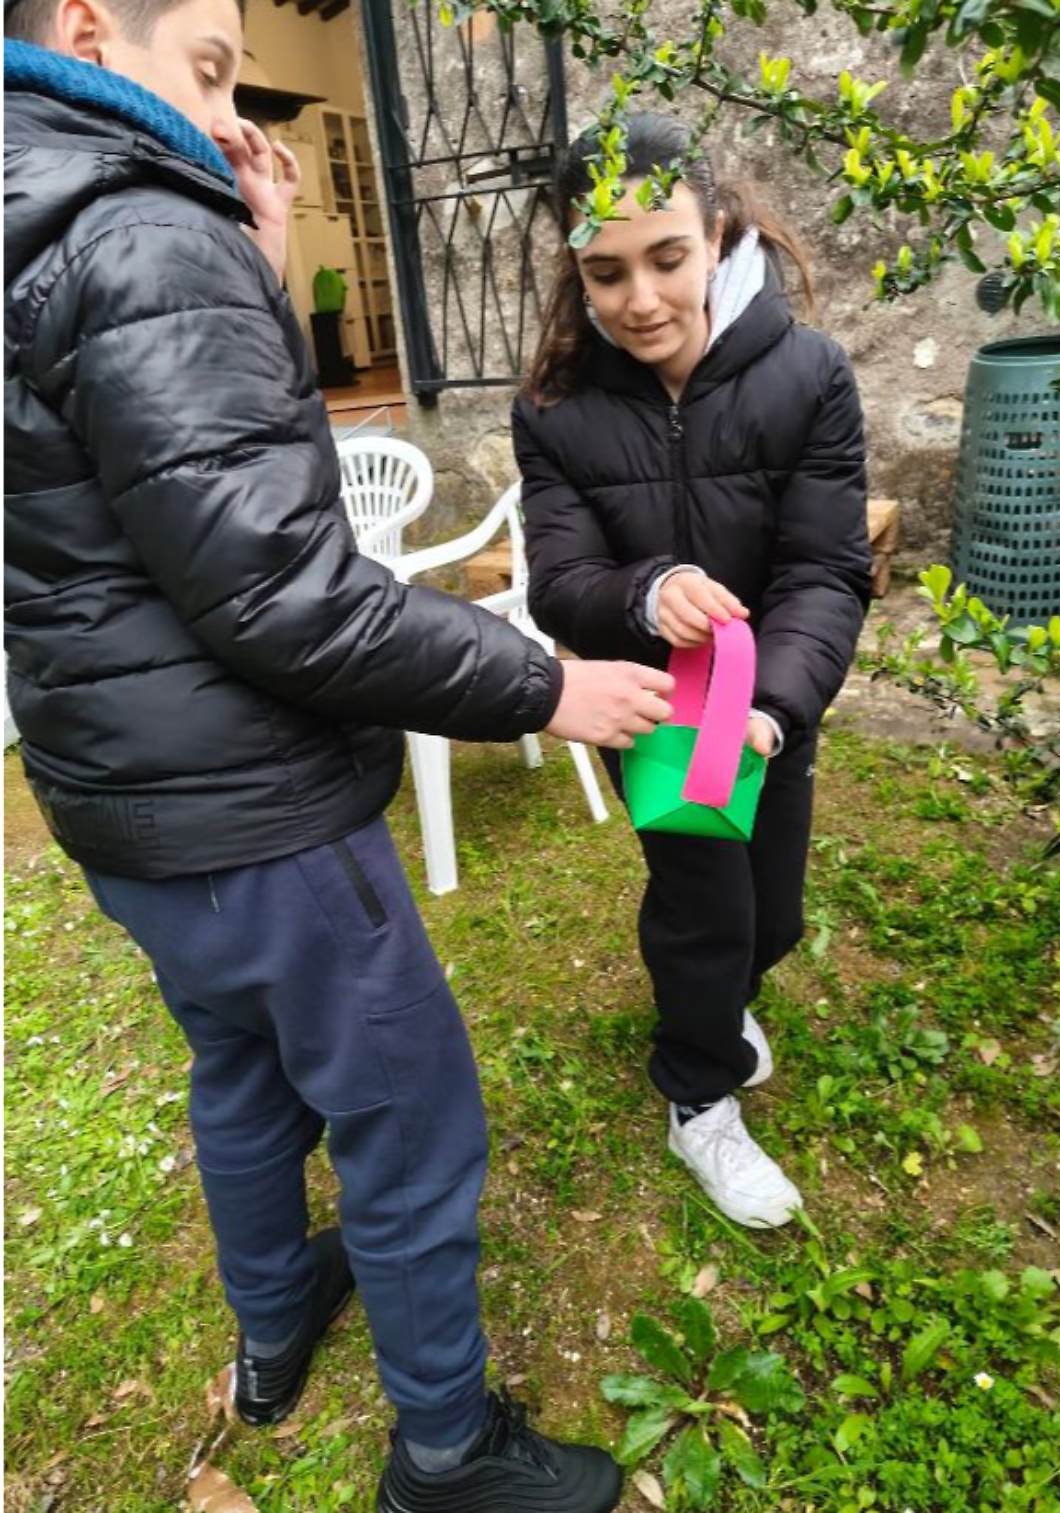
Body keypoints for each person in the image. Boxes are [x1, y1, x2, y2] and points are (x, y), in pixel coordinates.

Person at [2, 6, 677, 1509]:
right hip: (252, 808)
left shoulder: (37, 207)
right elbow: (279, 588)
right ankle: (445, 1449)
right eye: (210, 65)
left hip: (122, 801)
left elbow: (147, 487)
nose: (232, 107)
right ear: (90, 26)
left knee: (239, 1065)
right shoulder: (131, 229)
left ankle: (272, 1334)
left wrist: (251, 239)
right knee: (407, 1110)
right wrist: (541, 683)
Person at [515, 113, 872, 1232]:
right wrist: (642, 593)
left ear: (717, 235)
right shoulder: (557, 410)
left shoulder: (808, 375)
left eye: (666, 257)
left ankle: (729, 1000)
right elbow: (560, 577)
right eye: (605, 271)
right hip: (657, 710)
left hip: (771, 713)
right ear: (577, 266)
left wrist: (773, 708)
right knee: (703, 908)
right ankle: (698, 1094)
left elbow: (825, 567)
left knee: (772, 918)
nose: (640, 300)